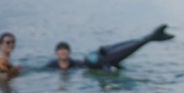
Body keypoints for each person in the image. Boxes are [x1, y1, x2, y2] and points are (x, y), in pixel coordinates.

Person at [45, 24, 174, 71]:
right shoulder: (52, 66)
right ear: (56, 53)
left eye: (65, 50)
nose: (63, 53)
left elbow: (87, 67)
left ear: (69, 52)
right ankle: (151, 37)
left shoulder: (76, 64)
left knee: (103, 56)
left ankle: (150, 37)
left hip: (100, 59)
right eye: (60, 51)